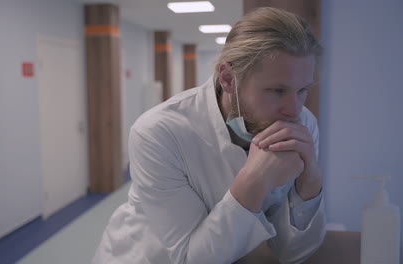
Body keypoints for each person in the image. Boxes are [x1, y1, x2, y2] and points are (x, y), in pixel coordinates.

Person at [93, 7, 325, 264]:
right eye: (277, 90)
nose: (294, 109)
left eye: (302, 90)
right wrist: (253, 182)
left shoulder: (303, 124)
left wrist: (310, 180)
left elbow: (294, 253)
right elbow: (190, 259)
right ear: (228, 79)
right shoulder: (160, 132)